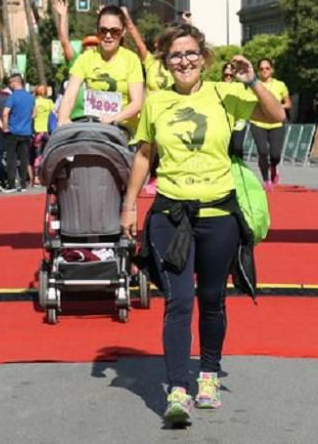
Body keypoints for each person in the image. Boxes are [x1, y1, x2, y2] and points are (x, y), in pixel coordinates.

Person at [120, 24, 284, 427]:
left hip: (218, 213)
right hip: (170, 213)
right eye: (175, 56)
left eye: (191, 53)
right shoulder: (155, 103)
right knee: (179, 300)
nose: (184, 62)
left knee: (212, 298)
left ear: (204, 58)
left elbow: (275, 115)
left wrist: (251, 82)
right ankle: (178, 389)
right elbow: (144, 155)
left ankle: (208, 374)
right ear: (166, 62)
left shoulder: (224, 95)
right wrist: (129, 206)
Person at [57, 5, 145, 133]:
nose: (108, 36)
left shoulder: (131, 60)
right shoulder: (85, 59)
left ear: (123, 32)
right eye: (103, 30)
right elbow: (70, 94)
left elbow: (137, 103)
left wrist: (113, 118)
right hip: (94, 131)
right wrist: (63, 119)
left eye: (115, 31)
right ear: (97, 30)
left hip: (123, 133)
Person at [248, 58, 291, 190]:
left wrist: (276, 107)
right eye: (261, 69)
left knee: (275, 155)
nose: (264, 71)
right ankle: (266, 180)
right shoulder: (254, 86)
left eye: (267, 68)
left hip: (276, 123)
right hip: (258, 123)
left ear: (271, 70)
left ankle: (273, 167)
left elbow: (288, 103)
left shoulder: (280, 85)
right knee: (262, 152)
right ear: (258, 71)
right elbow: (248, 103)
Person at [2, 73, 35, 192]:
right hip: (26, 132)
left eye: (10, 83)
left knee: (11, 158)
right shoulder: (30, 97)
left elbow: (5, 113)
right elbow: (34, 114)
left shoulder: (13, 97)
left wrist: (5, 127)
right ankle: (23, 184)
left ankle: (11, 184)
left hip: (13, 131)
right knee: (24, 158)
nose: (9, 85)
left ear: (15, 82)